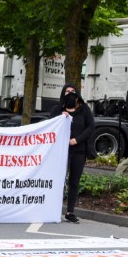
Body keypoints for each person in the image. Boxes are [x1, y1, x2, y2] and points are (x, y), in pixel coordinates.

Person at [46, 83, 94, 223]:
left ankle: (70, 211)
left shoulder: (84, 109)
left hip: (79, 151)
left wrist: (77, 140)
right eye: (67, 91)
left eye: (73, 91)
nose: (70, 93)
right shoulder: (57, 110)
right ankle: (53, 209)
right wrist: (60, 117)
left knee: (74, 181)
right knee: (59, 180)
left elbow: (91, 126)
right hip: (61, 151)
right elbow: (49, 127)